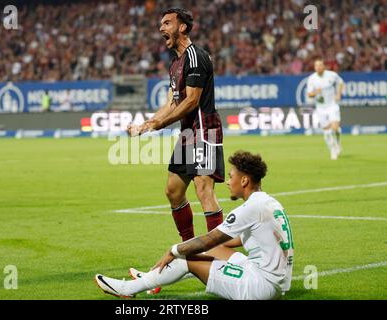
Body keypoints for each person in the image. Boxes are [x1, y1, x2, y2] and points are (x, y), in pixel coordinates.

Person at [95, 151, 294, 300]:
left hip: (260, 287)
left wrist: (174, 250)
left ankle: (128, 289)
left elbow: (209, 239)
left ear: (244, 180)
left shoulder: (249, 208)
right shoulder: (270, 202)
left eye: (231, 177)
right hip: (275, 280)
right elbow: (230, 241)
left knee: (186, 257)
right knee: (214, 249)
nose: (227, 182)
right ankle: (153, 277)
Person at [127, 7, 225, 244]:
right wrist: (146, 124)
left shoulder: (196, 56)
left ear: (182, 27)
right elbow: (172, 102)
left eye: (167, 23)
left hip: (204, 129)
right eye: (161, 24)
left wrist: (159, 124)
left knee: (203, 190)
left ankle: (221, 253)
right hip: (188, 133)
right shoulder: (176, 64)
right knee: (173, 191)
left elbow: (192, 101)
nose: (161, 28)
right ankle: (189, 248)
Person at [306, 59, 345, 160]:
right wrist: (315, 92)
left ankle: (338, 143)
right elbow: (309, 94)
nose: (318, 67)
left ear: (324, 66)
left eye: (320, 65)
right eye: (316, 66)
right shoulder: (312, 79)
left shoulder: (332, 75)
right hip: (320, 107)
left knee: (335, 127)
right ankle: (333, 149)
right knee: (327, 131)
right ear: (314, 68)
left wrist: (338, 94)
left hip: (332, 104)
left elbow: (341, 83)